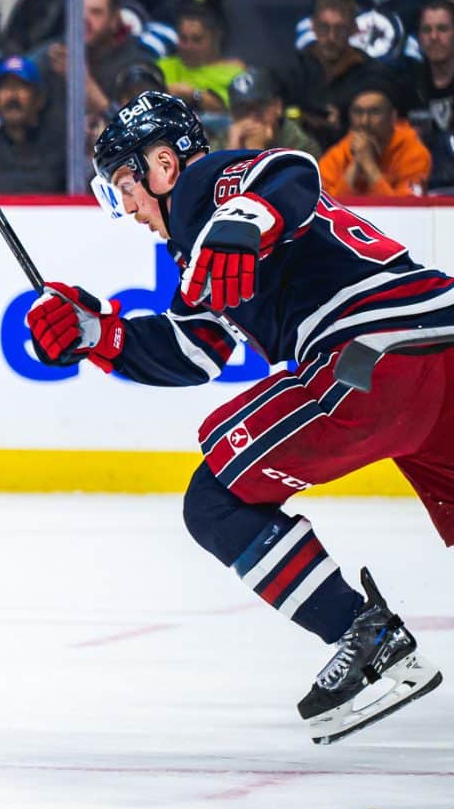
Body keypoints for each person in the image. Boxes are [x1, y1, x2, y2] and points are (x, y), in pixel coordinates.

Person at [25, 90, 448, 745]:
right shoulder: (200, 244)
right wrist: (96, 335)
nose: (128, 209)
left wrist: (244, 219)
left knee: (215, 501)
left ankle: (368, 641)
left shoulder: (208, 187)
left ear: (163, 165)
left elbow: (290, 172)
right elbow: (196, 351)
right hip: (438, 345)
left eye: (125, 187)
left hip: (372, 358)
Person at [280, 0, 398, 148]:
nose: (331, 37)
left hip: (354, 154)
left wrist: (342, 125)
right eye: (324, 28)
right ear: (313, 27)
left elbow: (383, 128)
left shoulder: (374, 75)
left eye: (340, 29)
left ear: (354, 29)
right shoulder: (293, 69)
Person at [0, 55, 65, 193]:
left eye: (21, 87)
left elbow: (53, 183)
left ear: (39, 99)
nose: (12, 95)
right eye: (5, 88)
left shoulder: (56, 144)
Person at [319, 85, 430, 196]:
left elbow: (406, 206)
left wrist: (369, 166)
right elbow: (324, 204)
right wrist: (355, 164)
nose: (364, 121)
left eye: (375, 112)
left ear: (393, 116)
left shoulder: (414, 154)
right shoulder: (338, 155)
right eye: (358, 112)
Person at [156, 0, 243, 114]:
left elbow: (231, 112)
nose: (188, 47)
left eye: (197, 40)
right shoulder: (162, 67)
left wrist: (194, 95)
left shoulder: (234, 74)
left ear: (216, 37)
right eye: (183, 39)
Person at [224, 68, 323, 159]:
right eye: (242, 109)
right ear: (232, 114)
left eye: (260, 106)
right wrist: (230, 150)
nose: (252, 115)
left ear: (278, 107)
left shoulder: (302, 147)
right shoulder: (225, 139)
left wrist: (256, 153)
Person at [408, 0, 454, 141]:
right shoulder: (407, 83)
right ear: (419, 38)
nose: (434, 37)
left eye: (442, 29)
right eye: (427, 30)